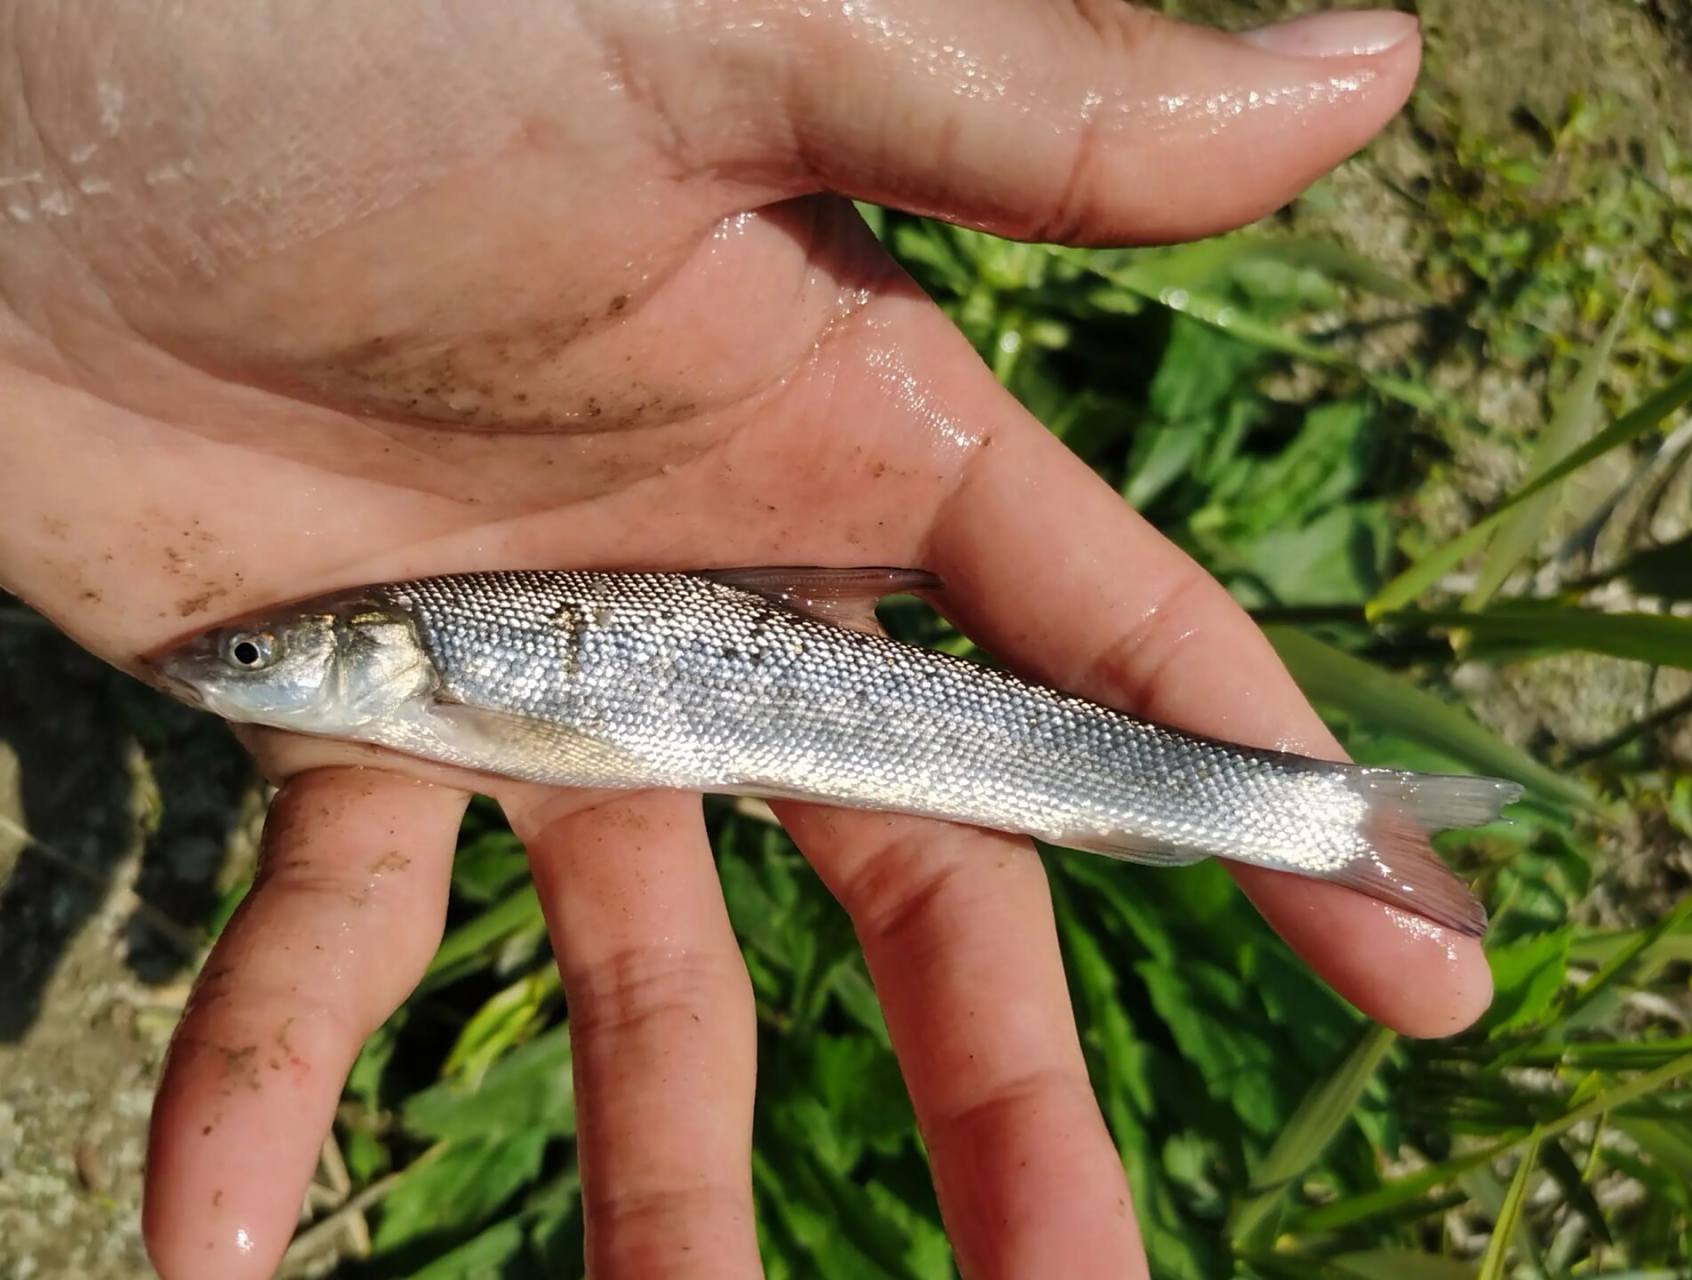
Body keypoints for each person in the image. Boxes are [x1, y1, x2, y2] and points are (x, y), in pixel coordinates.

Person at [0, 4, 1485, 1276]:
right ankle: (1316, 822)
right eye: (256, 658)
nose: (222, 659)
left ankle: (1314, 820)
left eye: (260, 661)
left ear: (383, 650)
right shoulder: (425, 670)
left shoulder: (442, 662)